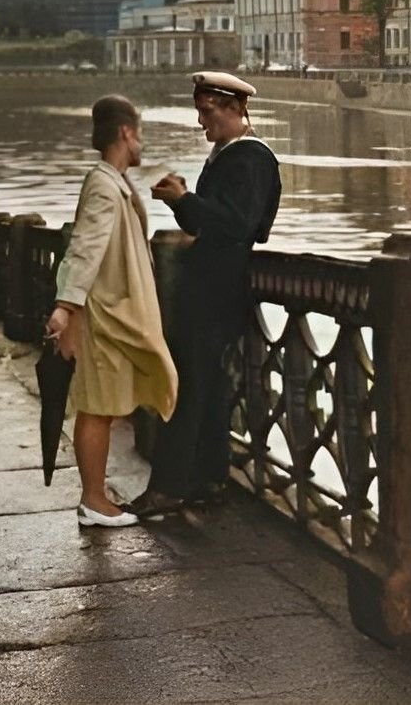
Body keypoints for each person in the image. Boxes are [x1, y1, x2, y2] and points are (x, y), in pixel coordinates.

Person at [129, 71, 281, 517]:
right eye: (199, 111)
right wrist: (182, 201)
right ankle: (209, 479)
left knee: (187, 388)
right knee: (209, 387)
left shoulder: (251, 157)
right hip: (213, 283)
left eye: (208, 111)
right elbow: (204, 223)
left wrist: (185, 200)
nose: (201, 122)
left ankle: (170, 485)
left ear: (236, 108)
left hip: (218, 286)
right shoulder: (228, 154)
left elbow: (237, 224)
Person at [46, 95, 178, 527]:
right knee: (97, 406)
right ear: (125, 132)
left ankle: (95, 497)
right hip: (105, 315)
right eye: (138, 133)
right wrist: (66, 307)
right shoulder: (105, 185)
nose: (141, 142)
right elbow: (84, 247)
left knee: (102, 404)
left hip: (110, 312)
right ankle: (93, 500)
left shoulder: (113, 181)